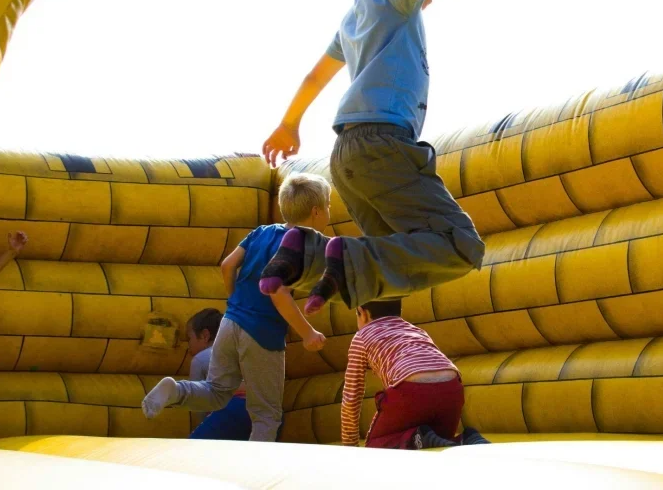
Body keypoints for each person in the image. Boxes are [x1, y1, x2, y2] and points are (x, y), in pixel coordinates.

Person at [259, 0, 528, 315]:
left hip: (347, 157)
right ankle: (342, 258)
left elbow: (316, 75)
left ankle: (312, 256)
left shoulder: (357, 15)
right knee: (459, 245)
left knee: (386, 267)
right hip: (383, 146)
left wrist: (289, 124)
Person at [142, 173, 330, 441]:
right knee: (266, 414)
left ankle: (176, 391)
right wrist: (308, 332)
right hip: (262, 332)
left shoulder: (261, 233)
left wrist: (235, 303)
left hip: (231, 322)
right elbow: (277, 291)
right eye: (329, 206)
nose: (329, 212)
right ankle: (256, 474)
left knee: (217, 392)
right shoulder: (300, 245)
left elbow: (227, 265)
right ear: (315, 212)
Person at [341, 299, 488, 449]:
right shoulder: (415, 331)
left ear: (362, 313)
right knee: (439, 442)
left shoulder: (362, 337)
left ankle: (418, 438)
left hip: (411, 390)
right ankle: (467, 439)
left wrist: (350, 445)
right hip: (452, 389)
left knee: (376, 447)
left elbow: (352, 396)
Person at [185, 308, 252, 441]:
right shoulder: (243, 351)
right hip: (266, 412)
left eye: (189, 338)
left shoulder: (200, 359)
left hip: (233, 409)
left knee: (193, 449)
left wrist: (204, 429)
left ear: (205, 335)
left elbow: (198, 403)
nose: (188, 345)